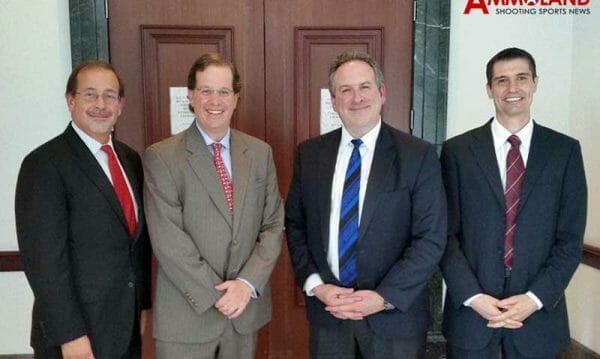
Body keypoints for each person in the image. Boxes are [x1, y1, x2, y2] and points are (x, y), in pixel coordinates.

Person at [285, 51, 447, 358]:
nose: (356, 98)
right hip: (329, 313)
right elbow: (296, 226)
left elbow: (430, 238)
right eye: (345, 90)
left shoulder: (417, 155)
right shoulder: (309, 155)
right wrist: (316, 285)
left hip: (394, 319)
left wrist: (383, 297)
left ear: (382, 93)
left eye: (365, 87)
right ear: (334, 101)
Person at [440, 47, 587, 358]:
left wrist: (534, 298)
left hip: (539, 317)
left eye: (521, 78)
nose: (512, 89)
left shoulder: (564, 151)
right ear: (489, 89)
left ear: (535, 83)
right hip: (471, 314)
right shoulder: (457, 151)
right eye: (501, 80)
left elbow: (570, 240)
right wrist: (472, 296)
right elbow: (444, 234)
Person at [143, 52, 284, 358]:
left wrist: (245, 285)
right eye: (206, 91)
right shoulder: (162, 157)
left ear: (236, 98)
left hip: (243, 315)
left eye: (223, 92)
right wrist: (218, 294)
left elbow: (273, 225)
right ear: (191, 97)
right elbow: (168, 240)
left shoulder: (260, 154)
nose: (214, 100)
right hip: (186, 318)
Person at [15, 60, 152, 358]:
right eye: (90, 94)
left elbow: (137, 245)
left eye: (110, 95)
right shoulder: (44, 164)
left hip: (125, 327)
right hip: (77, 337)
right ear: (71, 100)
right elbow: (44, 262)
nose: (100, 104)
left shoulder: (130, 160)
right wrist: (70, 335)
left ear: (120, 104)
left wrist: (143, 306)